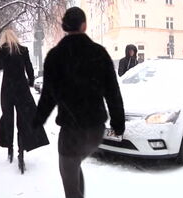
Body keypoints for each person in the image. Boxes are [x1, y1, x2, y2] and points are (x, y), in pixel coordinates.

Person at [33, 7, 125, 198]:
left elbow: (48, 97)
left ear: (65, 27)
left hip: (71, 132)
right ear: (84, 25)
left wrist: (37, 121)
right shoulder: (99, 53)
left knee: (68, 172)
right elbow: (113, 92)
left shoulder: (55, 56)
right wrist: (118, 123)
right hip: (95, 131)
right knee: (74, 165)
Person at [0, 29, 49, 174]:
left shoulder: (2, 51)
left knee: (8, 118)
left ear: (4, 38)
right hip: (21, 89)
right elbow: (29, 69)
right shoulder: (23, 50)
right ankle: (21, 153)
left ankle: (10, 149)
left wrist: (2, 58)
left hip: (7, 89)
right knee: (23, 120)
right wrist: (30, 82)